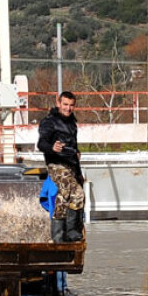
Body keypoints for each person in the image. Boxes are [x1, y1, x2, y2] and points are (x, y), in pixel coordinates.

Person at [37, 91, 85, 242]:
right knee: (70, 193)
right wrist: (52, 147)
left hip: (70, 164)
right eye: (65, 104)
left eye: (71, 105)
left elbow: (74, 150)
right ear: (58, 103)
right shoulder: (49, 122)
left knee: (72, 196)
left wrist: (78, 173)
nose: (68, 108)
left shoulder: (72, 124)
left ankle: (66, 233)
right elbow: (41, 143)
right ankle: (64, 233)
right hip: (56, 163)